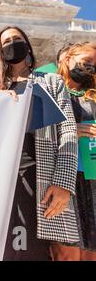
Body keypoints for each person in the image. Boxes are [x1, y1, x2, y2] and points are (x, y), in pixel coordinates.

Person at [0, 26, 79, 261]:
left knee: (39, 251)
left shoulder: (50, 81)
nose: (12, 44)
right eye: (6, 42)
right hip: (2, 180)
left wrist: (63, 183)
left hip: (40, 176)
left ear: (28, 45)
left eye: (17, 39)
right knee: (2, 250)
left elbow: (68, 131)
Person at [55, 42, 96, 261]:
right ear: (67, 58)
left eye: (95, 65)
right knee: (66, 252)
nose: (91, 68)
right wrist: (72, 129)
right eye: (87, 61)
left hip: (92, 176)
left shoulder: (93, 95)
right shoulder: (51, 88)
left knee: (91, 253)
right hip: (62, 176)